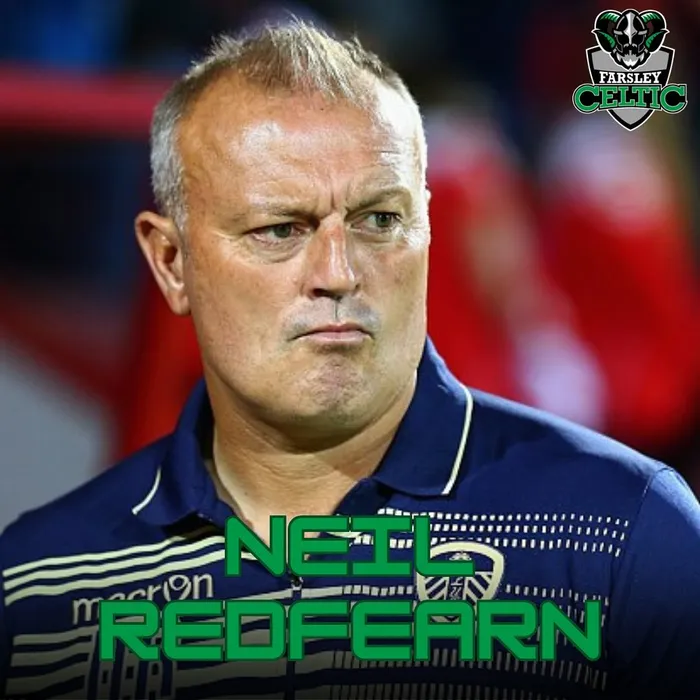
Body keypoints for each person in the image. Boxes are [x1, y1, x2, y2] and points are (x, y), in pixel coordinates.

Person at [0, 20, 699, 700]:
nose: (338, 273)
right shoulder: (40, 581)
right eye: (280, 229)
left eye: (378, 221)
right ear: (171, 262)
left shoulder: (627, 533)